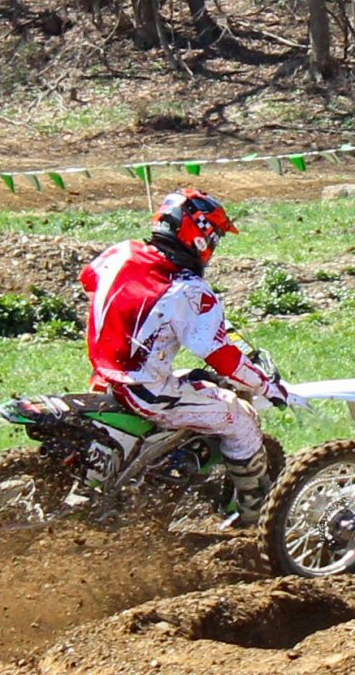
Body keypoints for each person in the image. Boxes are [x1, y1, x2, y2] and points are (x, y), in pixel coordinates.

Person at [80, 187, 291, 525]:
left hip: (103, 377)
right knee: (240, 418)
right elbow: (219, 355)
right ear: (199, 234)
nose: (215, 246)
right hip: (144, 391)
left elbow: (89, 280)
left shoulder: (120, 253)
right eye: (215, 236)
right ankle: (258, 517)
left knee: (196, 380)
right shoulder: (188, 288)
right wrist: (267, 386)